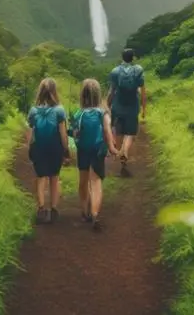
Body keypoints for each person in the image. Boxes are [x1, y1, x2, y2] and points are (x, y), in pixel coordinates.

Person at [71, 78, 118, 231]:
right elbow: (106, 130)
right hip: (98, 150)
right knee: (96, 182)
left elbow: (75, 133)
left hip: (83, 149)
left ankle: (85, 212)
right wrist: (111, 147)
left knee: (83, 181)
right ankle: (95, 213)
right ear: (98, 95)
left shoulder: (79, 114)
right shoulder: (102, 113)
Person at [26, 77, 70, 224]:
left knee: (41, 177)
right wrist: (66, 149)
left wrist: (30, 148)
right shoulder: (59, 110)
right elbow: (63, 134)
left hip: (39, 147)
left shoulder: (33, 111)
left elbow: (31, 133)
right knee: (54, 177)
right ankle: (54, 209)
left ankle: (41, 208)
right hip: (55, 148)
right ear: (54, 91)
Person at [107, 47, 146, 177]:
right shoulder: (138, 70)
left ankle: (120, 155)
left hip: (118, 106)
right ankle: (125, 151)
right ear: (133, 58)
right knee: (130, 134)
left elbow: (111, 91)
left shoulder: (115, 71)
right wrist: (144, 108)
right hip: (132, 106)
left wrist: (108, 103)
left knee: (118, 131)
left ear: (122, 58)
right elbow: (143, 91)